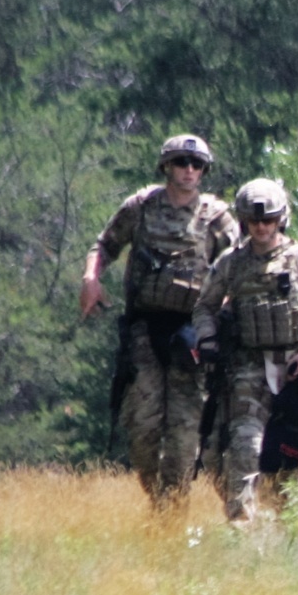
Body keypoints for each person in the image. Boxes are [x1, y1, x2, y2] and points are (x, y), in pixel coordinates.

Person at [80, 134, 239, 511]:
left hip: (193, 334)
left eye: (196, 164)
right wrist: (91, 279)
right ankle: (161, 502)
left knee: (185, 434)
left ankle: (174, 512)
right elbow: (104, 244)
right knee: (144, 430)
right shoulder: (142, 207)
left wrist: (227, 308)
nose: (189, 170)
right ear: (166, 165)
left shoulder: (216, 216)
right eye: (182, 162)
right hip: (146, 331)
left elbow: (239, 262)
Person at [192, 178, 298, 524]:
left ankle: (294, 528)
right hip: (247, 370)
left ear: (281, 219)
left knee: (288, 456)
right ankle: (241, 525)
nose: (261, 227)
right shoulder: (231, 263)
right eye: (254, 221)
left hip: (294, 373)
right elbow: (204, 307)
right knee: (244, 446)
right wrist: (206, 340)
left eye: (268, 220)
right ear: (244, 221)